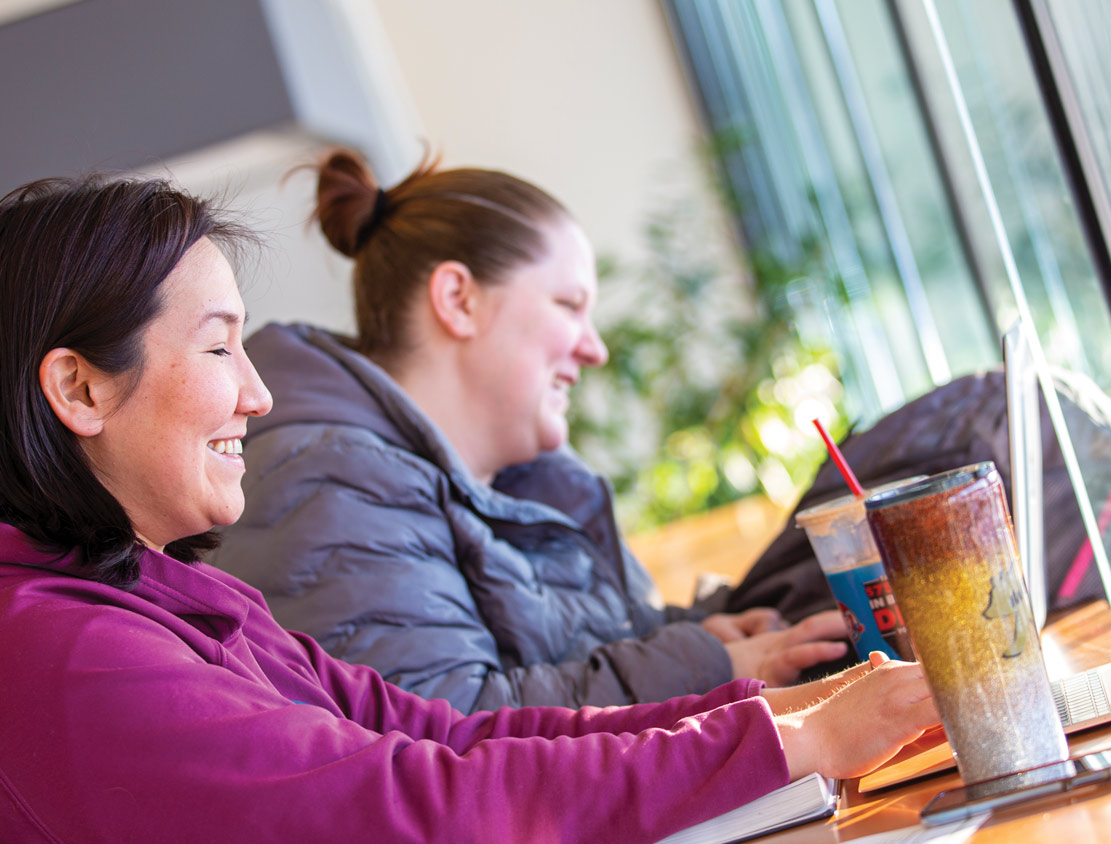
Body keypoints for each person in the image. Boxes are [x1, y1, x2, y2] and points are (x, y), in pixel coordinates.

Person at [0, 173, 936, 844]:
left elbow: (443, 737)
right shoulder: (64, 657)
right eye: (216, 347)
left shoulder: (171, 595)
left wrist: (779, 715)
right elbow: (424, 809)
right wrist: (788, 741)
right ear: (79, 388)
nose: (257, 393)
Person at [211, 149, 850, 714]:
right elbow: (451, 728)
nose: (594, 349)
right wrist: (705, 668)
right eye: (569, 306)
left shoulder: (519, 476)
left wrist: (704, 635)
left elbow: (570, 656)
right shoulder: (333, 483)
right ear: (458, 299)